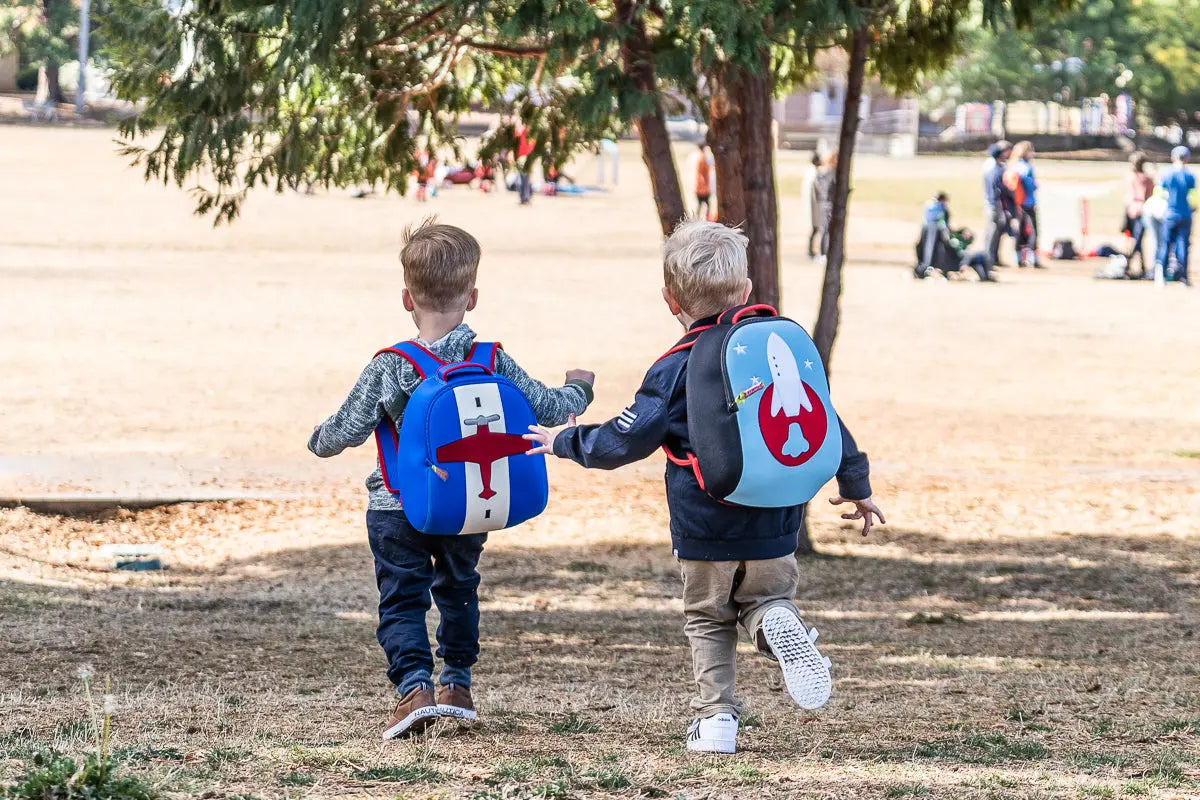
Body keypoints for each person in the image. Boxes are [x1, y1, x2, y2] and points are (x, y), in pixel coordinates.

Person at [525, 221, 884, 755]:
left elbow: (627, 436)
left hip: (704, 521)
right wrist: (855, 482)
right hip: (777, 518)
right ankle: (777, 624)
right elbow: (823, 419)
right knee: (766, 599)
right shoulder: (773, 350)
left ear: (670, 300)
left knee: (709, 618)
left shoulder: (676, 366)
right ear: (745, 291)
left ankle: (715, 720)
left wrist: (565, 442)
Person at [307, 219, 595, 739]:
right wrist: (581, 390)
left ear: (405, 298)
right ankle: (457, 684)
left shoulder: (391, 367)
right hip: (469, 505)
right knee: (459, 590)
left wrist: (316, 438)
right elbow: (549, 408)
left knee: (402, 598)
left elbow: (343, 432)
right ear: (473, 297)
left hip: (398, 507)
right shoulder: (492, 360)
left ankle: (414, 688)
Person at [1154, 145, 1197, 285]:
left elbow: (1159, 194)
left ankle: (1161, 275)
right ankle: (1183, 277)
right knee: (1183, 245)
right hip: (1185, 215)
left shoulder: (1166, 174)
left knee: (1165, 244)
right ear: (1187, 159)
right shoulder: (1190, 176)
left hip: (1169, 215)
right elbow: (1194, 199)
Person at [1007, 141, 1043, 268]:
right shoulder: (1026, 167)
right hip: (1027, 203)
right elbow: (1030, 185)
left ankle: (1017, 258)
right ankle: (1033, 258)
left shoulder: (1014, 165)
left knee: (1020, 232)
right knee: (1033, 232)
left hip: (1018, 204)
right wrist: (1035, 185)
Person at [1124, 152, 1156, 278]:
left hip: (1132, 210)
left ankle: (1136, 265)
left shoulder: (1131, 177)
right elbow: (1149, 195)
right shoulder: (1147, 179)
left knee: (1137, 239)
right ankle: (1129, 264)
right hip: (1142, 210)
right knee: (1138, 239)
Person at [813, 152, 838, 262]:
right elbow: (818, 185)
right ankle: (823, 254)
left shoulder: (833, 172)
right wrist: (823, 200)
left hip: (828, 205)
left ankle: (827, 253)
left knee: (828, 229)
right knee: (825, 229)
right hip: (826, 205)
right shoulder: (828, 172)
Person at [919, 191, 951, 271]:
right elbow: (943, 220)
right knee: (930, 247)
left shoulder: (928, 204)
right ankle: (927, 265)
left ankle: (925, 264)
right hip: (933, 227)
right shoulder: (940, 206)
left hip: (925, 227)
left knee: (926, 246)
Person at [806, 152, 823, 258]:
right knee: (815, 229)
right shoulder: (814, 173)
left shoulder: (810, 171)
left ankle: (812, 250)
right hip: (814, 205)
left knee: (815, 229)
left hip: (813, 205)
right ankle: (811, 251)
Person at [515, 122, 536, 205]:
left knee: (525, 179)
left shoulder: (529, 134)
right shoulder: (521, 131)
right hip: (520, 157)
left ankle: (525, 198)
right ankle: (524, 198)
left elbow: (532, 145)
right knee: (521, 180)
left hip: (525, 158)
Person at [695, 143, 713, 219]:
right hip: (703, 187)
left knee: (701, 205)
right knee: (706, 204)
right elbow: (705, 171)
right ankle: (706, 217)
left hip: (700, 186)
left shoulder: (701, 158)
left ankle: (698, 218)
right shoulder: (703, 158)